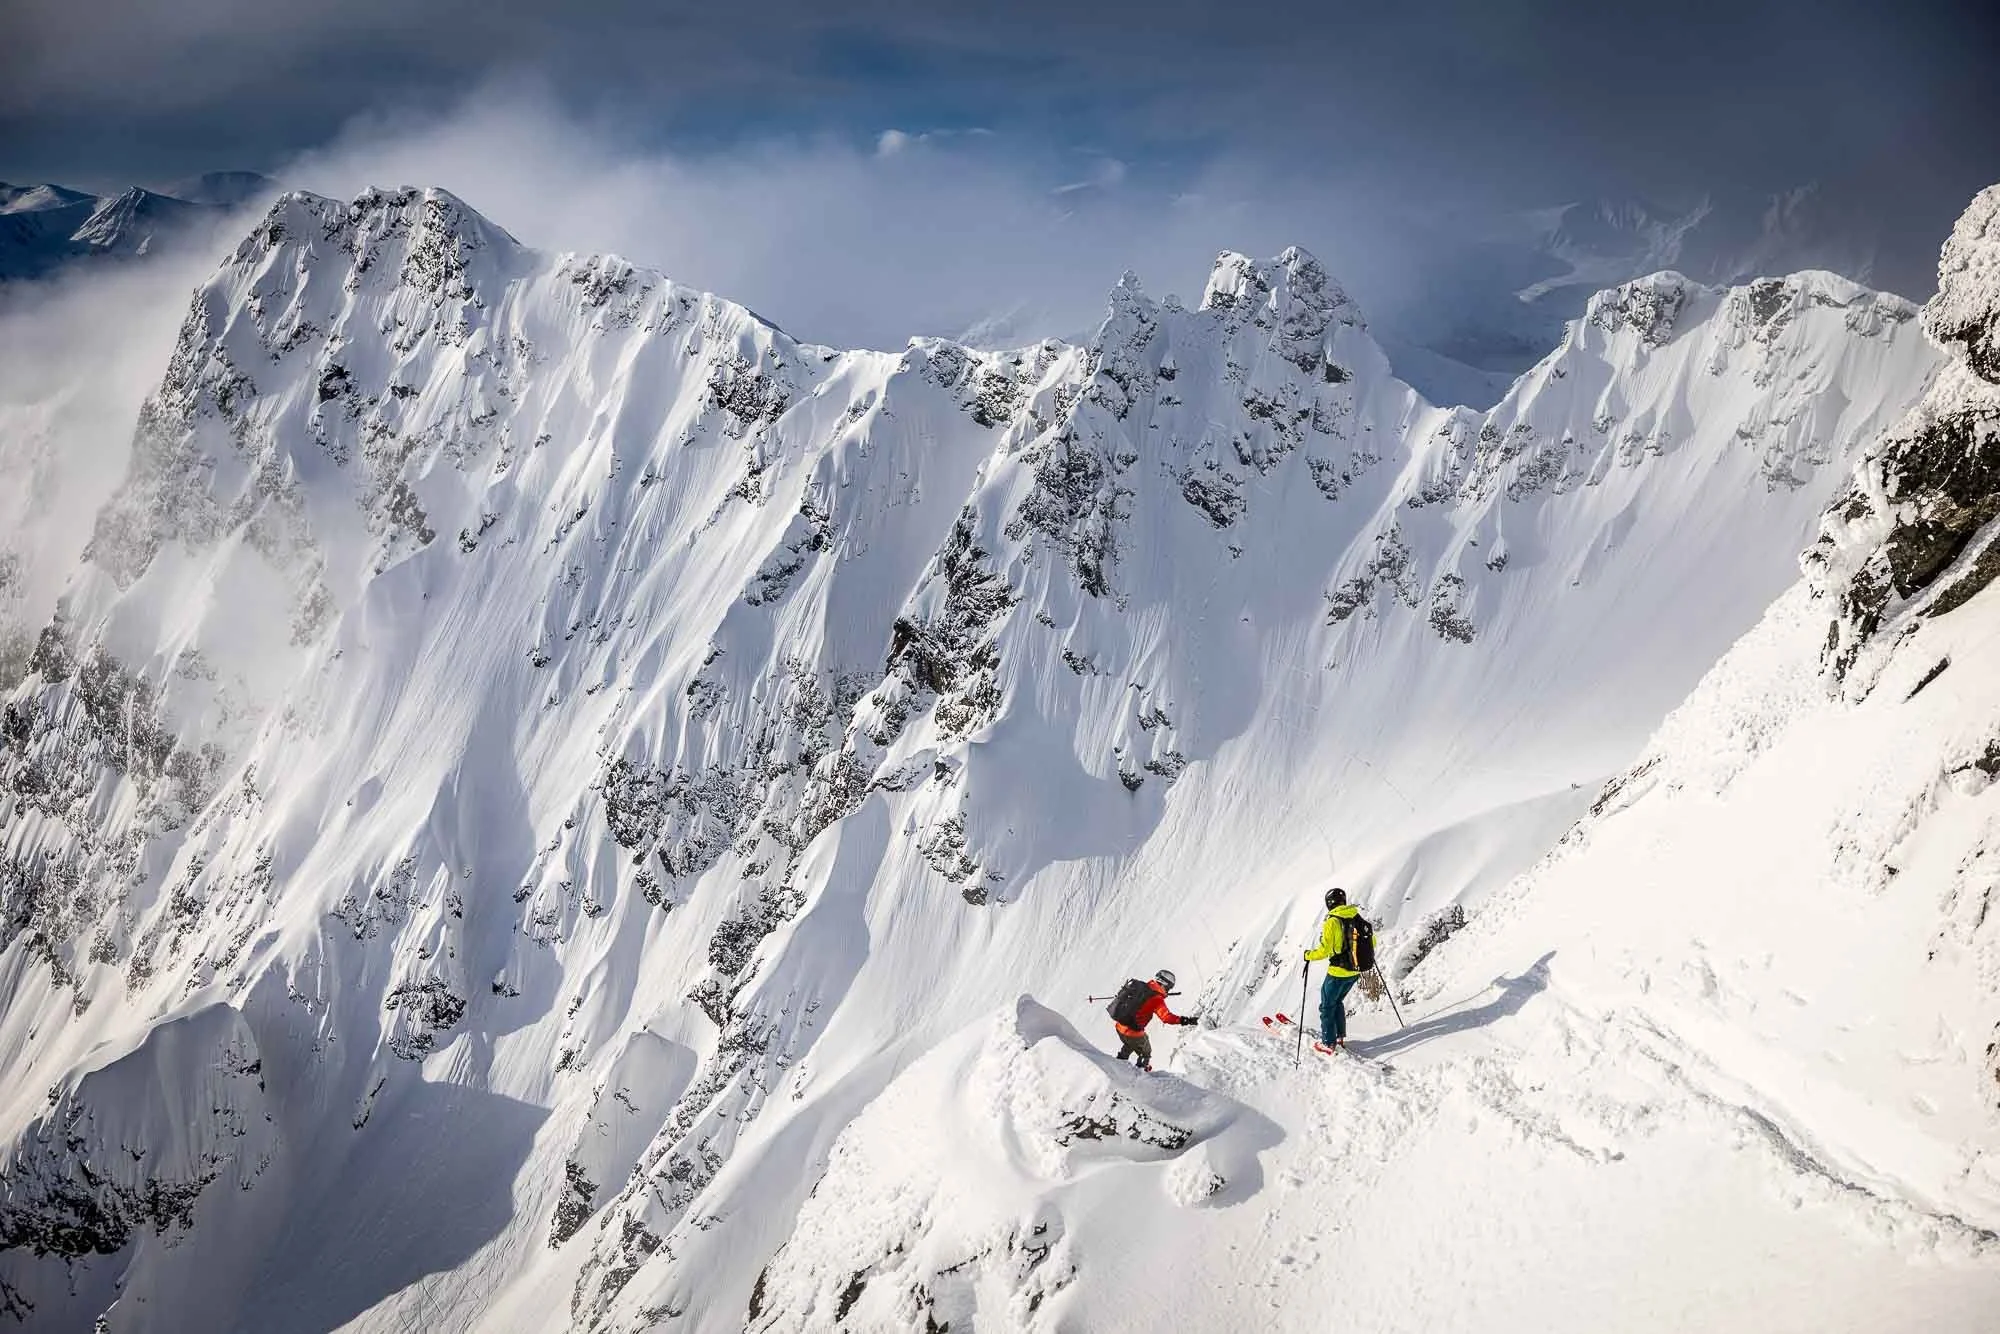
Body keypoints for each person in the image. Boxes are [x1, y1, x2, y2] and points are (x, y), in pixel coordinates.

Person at [1303, 888, 1362, 1053]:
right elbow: (1373, 941)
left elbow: (1325, 950)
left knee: (1327, 1007)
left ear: (1329, 903)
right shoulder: (1356, 917)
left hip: (1338, 972)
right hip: (1355, 971)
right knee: (1337, 1002)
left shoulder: (1332, 921)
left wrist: (1308, 955)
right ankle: (1339, 1037)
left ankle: (1328, 1043)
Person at [1113, 969, 1199, 1072]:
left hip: (1120, 1026)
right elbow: (1167, 1017)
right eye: (1169, 988)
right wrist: (1185, 1020)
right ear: (1165, 984)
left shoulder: (1143, 987)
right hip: (1132, 1032)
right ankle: (1141, 1072)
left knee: (1132, 1043)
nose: (1168, 990)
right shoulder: (1157, 999)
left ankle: (1119, 1062)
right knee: (1146, 1052)